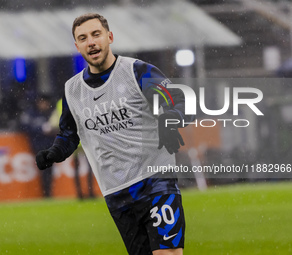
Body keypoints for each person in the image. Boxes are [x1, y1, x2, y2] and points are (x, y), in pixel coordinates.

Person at [36, 13, 194, 255]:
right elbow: (69, 135)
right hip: (117, 194)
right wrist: (54, 153)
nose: (91, 42)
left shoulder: (138, 72)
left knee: (168, 253)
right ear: (77, 46)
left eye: (96, 34)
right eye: (83, 38)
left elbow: (180, 102)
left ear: (109, 37)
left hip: (155, 182)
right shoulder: (72, 90)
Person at [20, 94, 55, 197]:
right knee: (44, 171)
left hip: (50, 145)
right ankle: (46, 193)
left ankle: (48, 193)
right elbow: (23, 125)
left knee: (49, 171)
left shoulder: (51, 113)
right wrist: (40, 129)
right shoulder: (32, 113)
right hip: (39, 145)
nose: (44, 105)